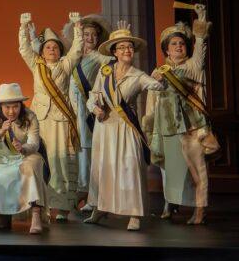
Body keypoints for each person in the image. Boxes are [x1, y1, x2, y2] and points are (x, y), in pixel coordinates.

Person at [84, 20, 166, 231]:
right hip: (105, 127)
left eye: (129, 46)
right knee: (104, 168)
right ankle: (100, 208)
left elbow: (156, 86)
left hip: (126, 126)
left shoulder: (137, 75)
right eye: (122, 47)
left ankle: (134, 213)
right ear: (115, 52)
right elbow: (91, 98)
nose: (127, 50)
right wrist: (96, 109)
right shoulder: (105, 72)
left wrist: (159, 77)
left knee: (130, 167)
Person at [145, 4, 213, 225]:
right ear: (166, 49)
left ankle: (200, 211)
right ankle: (169, 203)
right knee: (168, 169)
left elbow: (200, 47)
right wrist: (150, 127)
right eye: (174, 44)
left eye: (182, 43)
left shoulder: (193, 66)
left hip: (190, 127)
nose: (178, 46)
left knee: (196, 170)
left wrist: (200, 19)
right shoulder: (159, 72)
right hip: (167, 127)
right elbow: (152, 103)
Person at [18, 12, 83, 222]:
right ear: (43, 50)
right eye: (48, 47)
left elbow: (78, 49)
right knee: (43, 160)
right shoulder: (37, 66)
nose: (52, 50)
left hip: (61, 120)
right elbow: (24, 49)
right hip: (40, 119)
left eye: (55, 47)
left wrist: (77, 27)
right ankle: (42, 205)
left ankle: (63, 207)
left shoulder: (65, 65)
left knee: (61, 161)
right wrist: (23, 26)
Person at [0, 82, 49, 234]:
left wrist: (23, 147)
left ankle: (36, 214)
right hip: (4, 160)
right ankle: (3, 215)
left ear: (21, 105)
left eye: (15, 107)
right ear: (1, 106)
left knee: (30, 168)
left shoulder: (30, 116)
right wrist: (0, 132)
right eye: (7, 107)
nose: (11, 111)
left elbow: (34, 143)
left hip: (27, 155)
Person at [64, 13, 111, 206]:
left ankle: (90, 194)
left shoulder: (98, 57)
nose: (89, 38)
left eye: (93, 34)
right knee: (74, 151)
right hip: (70, 108)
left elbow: (112, 62)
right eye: (86, 33)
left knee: (87, 152)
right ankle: (76, 190)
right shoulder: (72, 56)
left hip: (86, 109)